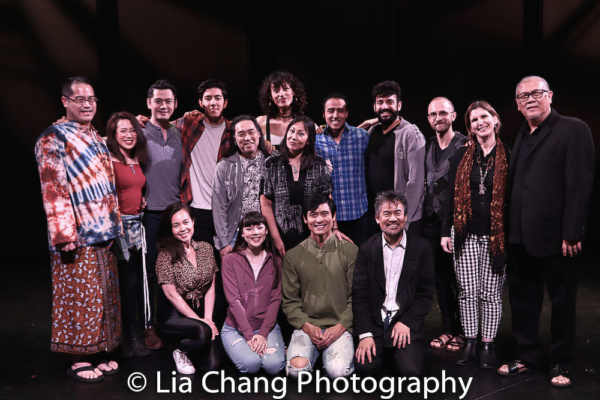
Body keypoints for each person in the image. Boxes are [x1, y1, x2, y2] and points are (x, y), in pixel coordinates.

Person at [498, 76, 594, 388]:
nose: (529, 99)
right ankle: (526, 356)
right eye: (522, 96)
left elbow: (579, 184)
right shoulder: (522, 133)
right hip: (520, 236)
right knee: (523, 300)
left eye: (536, 93)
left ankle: (559, 361)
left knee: (562, 302)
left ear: (550, 95)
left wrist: (573, 231)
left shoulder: (573, 128)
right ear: (516, 103)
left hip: (558, 238)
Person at [35, 76, 122, 382]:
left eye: (92, 100)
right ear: (65, 102)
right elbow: (53, 188)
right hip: (77, 235)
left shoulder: (94, 135)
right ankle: (78, 357)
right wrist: (63, 234)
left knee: (102, 296)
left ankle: (99, 352)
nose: (87, 105)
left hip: (104, 232)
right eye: (80, 99)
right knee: (79, 297)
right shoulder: (53, 136)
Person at [440, 101, 509, 369]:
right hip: (464, 234)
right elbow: (449, 198)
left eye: (484, 117)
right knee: (467, 292)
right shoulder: (460, 155)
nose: (479, 123)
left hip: (495, 236)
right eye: (474, 120)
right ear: (469, 126)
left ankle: (487, 345)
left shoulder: (508, 155)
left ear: (494, 119)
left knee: (490, 294)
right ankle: (470, 342)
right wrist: (447, 231)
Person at [353, 191, 434, 377]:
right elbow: (360, 295)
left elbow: (426, 293)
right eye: (386, 213)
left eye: (398, 213)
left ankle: (397, 349)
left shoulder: (422, 248)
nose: (392, 219)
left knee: (410, 371)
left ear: (405, 217)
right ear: (377, 218)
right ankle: (383, 346)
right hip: (375, 322)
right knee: (365, 369)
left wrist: (407, 322)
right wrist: (365, 334)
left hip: (404, 319)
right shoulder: (366, 249)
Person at [282, 195, 357, 378]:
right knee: (296, 372)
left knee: (337, 372)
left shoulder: (350, 250)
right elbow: (290, 302)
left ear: (333, 217)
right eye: (313, 215)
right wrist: (308, 327)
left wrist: (340, 327)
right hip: (308, 327)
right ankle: (315, 356)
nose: (319, 219)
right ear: (305, 219)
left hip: (339, 327)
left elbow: (357, 298)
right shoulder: (293, 255)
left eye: (325, 214)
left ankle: (331, 357)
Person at [423, 98, 468, 353]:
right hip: (431, 223)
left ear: (453, 115)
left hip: (457, 224)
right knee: (440, 279)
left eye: (443, 113)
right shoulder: (428, 146)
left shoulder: (464, 144)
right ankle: (448, 328)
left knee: (460, 280)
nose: (438, 118)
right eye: (432, 114)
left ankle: (464, 331)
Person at [155, 202, 223, 374]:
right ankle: (179, 350)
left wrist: (208, 318)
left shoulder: (206, 249)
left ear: (193, 222)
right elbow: (171, 295)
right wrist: (201, 322)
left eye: (186, 222)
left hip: (201, 312)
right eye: (176, 225)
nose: (182, 228)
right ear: (170, 229)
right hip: (175, 315)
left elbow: (211, 287)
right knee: (202, 331)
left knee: (212, 366)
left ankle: (195, 347)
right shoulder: (165, 255)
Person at [105, 111, 151, 358]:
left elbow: (134, 188)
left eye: (132, 130)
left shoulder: (136, 159)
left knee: (135, 284)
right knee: (126, 284)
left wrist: (141, 200)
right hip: (119, 227)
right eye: (122, 130)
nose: (129, 135)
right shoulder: (107, 158)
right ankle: (129, 338)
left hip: (137, 225)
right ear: (112, 134)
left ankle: (134, 336)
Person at [141, 79, 181, 349]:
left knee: (174, 273)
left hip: (175, 214)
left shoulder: (181, 132)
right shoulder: (138, 131)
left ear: (175, 104)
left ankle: (170, 323)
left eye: (168, 101)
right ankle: (149, 326)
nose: (163, 105)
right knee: (150, 275)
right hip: (149, 215)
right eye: (158, 101)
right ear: (149, 103)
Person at [220, 212, 286, 375]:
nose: (255, 232)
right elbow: (233, 301)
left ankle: (273, 347)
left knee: (273, 366)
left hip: (266, 328)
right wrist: (249, 337)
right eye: (249, 228)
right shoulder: (230, 261)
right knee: (251, 365)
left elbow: (275, 299)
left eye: (259, 227)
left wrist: (263, 334)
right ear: (242, 233)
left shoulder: (276, 261)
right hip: (235, 328)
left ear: (266, 231)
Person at [260, 115, 333, 255]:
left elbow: (327, 202)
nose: (293, 136)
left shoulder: (319, 164)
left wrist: (332, 231)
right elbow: (266, 204)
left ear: (308, 141)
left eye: (301, 134)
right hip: (280, 237)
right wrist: (276, 238)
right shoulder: (271, 164)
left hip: (313, 236)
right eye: (291, 131)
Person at [364, 81, 426, 237]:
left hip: (400, 219)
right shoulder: (372, 131)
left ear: (399, 105)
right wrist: (365, 123)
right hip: (376, 216)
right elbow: (347, 142)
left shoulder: (411, 133)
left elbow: (416, 182)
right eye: (380, 102)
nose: (385, 106)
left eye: (390, 102)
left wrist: (403, 220)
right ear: (374, 107)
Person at [176, 79, 232, 246]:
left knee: (227, 262)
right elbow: (160, 127)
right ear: (200, 103)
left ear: (225, 103)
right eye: (208, 98)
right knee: (202, 264)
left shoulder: (234, 132)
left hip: (225, 210)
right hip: (197, 207)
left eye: (217, 98)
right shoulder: (189, 124)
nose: (213, 102)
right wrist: (139, 120)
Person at [315, 93, 370, 246]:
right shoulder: (314, 140)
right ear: (323, 114)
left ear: (346, 113)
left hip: (358, 213)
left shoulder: (362, 136)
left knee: (358, 263)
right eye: (331, 110)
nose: (335, 115)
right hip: (328, 217)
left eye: (340, 110)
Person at [212, 115, 270, 259]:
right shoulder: (224, 166)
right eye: (241, 134)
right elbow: (219, 206)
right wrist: (224, 242)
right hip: (235, 234)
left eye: (251, 132)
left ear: (259, 134)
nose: (247, 138)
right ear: (234, 139)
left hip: (267, 232)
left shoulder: (272, 161)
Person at [257, 71, 308, 149]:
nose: (281, 94)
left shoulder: (306, 123)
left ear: (293, 92)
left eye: (285, 88)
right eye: (276, 90)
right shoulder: (260, 122)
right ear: (270, 96)